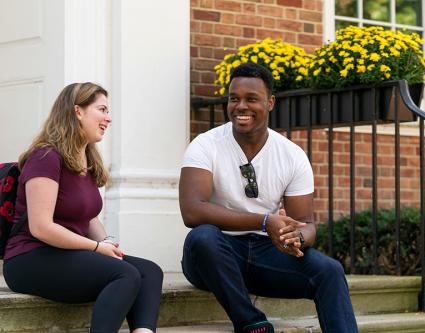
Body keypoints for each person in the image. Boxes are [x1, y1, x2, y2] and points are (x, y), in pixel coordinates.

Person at [179, 63, 358, 333]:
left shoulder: (291, 155)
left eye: (251, 99)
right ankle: (252, 324)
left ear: (270, 102)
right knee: (203, 236)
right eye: (234, 98)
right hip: (214, 258)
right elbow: (192, 212)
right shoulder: (206, 145)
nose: (240, 106)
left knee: (330, 271)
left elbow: (306, 224)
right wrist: (264, 221)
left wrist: (296, 238)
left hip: (267, 256)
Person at [3, 82, 163, 333]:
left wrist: (108, 245)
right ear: (78, 111)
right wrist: (97, 248)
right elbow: (41, 227)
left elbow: (87, 217)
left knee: (149, 271)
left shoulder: (86, 158)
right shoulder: (45, 157)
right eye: (102, 109)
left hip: (68, 254)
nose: (108, 118)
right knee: (125, 275)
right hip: (30, 258)